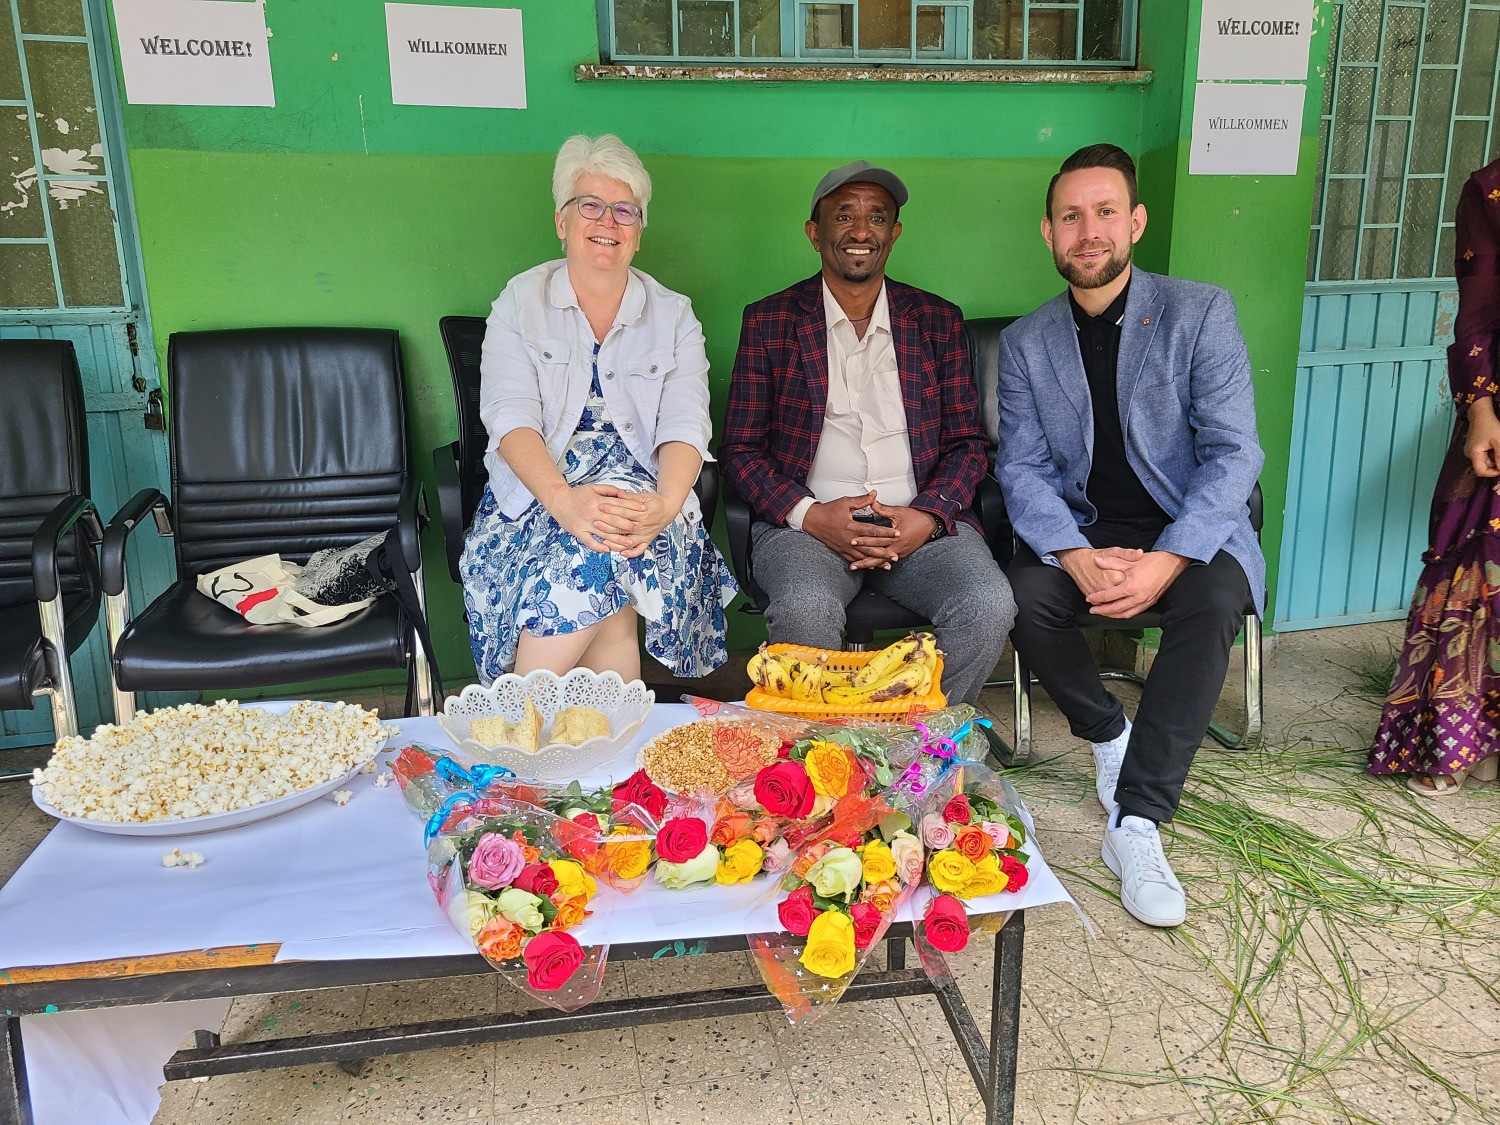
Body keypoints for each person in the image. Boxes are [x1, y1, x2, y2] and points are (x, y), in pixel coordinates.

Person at [997, 143, 1264, 927]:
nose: (1090, 230)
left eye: (1106, 211)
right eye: (1072, 216)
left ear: (1135, 222)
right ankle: (1108, 733)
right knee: (1019, 592)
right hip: (1084, 528)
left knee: (1212, 599)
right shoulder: (1025, 341)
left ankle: (1138, 820)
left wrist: (1170, 557)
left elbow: (1234, 451)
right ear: (1048, 232)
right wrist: (1076, 556)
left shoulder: (1198, 311)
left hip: (1185, 522)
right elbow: (1021, 467)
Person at [719, 160, 1014, 706]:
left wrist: (927, 515)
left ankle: (918, 753)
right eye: (844, 217)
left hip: (920, 523)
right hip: (808, 528)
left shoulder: (937, 320)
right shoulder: (770, 321)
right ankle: (820, 759)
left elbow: (968, 443)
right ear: (815, 233)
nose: (861, 232)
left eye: (877, 218)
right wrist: (811, 515)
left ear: (894, 233)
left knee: (987, 603)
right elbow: (739, 448)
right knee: (805, 608)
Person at [459, 133, 736, 684]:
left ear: (639, 231)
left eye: (625, 210)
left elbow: (687, 423)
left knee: (612, 540)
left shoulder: (674, 315)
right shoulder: (519, 302)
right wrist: (564, 502)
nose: (607, 222)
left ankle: (521, 719)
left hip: (648, 499)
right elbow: (508, 416)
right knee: (604, 565)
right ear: (562, 221)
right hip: (541, 492)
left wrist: (665, 504)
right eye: (590, 205)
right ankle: (591, 737)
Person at [1370, 158, 1500, 795]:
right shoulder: (1491, 188)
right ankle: (1454, 742)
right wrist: (1480, 408)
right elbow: (1476, 311)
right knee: (1476, 564)